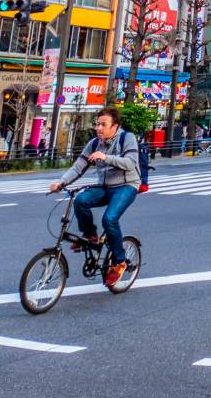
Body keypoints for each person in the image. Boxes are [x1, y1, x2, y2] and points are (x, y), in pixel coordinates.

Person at [49, 106, 141, 287]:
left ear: (115, 126)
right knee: (81, 200)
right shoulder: (94, 143)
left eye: (103, 124)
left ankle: (119, 261)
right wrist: (61, 182)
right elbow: (78, 166)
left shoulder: (126, 138)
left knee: (110, 219)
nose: (98, 128)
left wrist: (105, 157)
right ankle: (91, 236)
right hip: (105, 186)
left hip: (126, 186)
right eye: (97, 124)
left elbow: (131, 163)